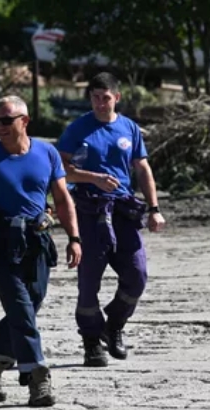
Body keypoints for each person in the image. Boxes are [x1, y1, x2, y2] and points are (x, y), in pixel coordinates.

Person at [0, 95, 82, 407]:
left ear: (24, 121)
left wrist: (74, 237)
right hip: (1, 240)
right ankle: (36, 377)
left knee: (29, 304)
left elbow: (63, 198)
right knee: (21, 308)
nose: (0, 126)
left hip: (38, 239)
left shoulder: (47, 152)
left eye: (6, 120)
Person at [55, 72, 166, 368]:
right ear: (90, 99)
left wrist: (154, 208)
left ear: (116, 98)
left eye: (106, 98)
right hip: (90, 211)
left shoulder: (129, 128)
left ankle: (113, 325)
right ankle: (91, 342)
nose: (101, 104)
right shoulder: (78, 129)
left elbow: (142, 168)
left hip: (122, 211)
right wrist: (93, 178)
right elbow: (61, 168)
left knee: (137, 274)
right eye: (95, 98)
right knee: (89, 280)